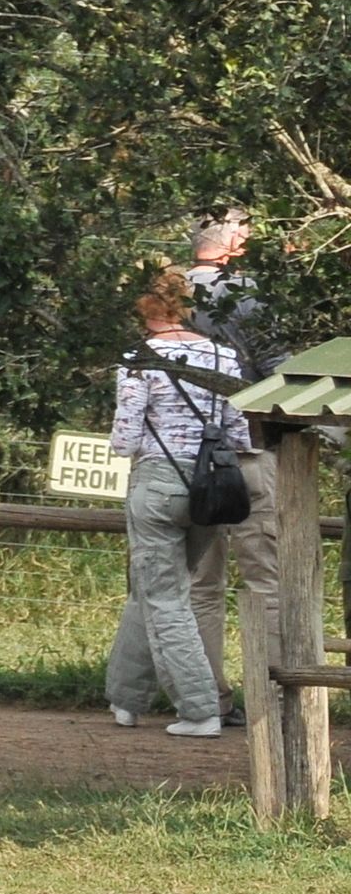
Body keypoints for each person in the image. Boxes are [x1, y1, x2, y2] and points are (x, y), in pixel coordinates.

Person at [107, 267, 245, 738]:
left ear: (148, 309)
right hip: (212, 488)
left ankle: (200, 709)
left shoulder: (139, 358)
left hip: (159, 482)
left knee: (164, 596)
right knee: (151, 587)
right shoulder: (224, 357)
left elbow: (125, 438)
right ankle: (125, 699)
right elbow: (238, 430)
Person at [181, 210, 282, 703]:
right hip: (247, 450)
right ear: (235, 244)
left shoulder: (168, 295)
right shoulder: (249, 296)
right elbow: (276, 367)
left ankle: (206, 695)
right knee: (264, 576)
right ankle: (275, 689)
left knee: (202, 582)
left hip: (186, 456)